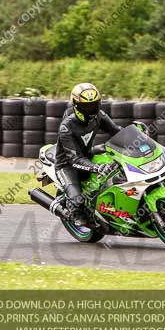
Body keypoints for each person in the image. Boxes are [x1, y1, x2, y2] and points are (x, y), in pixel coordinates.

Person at [55, 82, 121, 225]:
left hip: (88, 154)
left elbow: (116, 132)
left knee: (118, 168)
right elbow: (74, 159)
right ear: (76, 105)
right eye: (86, 106)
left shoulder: (99, 116)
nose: (91, 110)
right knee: (78, 202)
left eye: (94, 105)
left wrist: (136, 134)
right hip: (67, 164)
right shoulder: (67, 127)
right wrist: (96, 168)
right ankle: (73, 211)